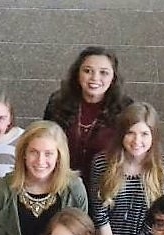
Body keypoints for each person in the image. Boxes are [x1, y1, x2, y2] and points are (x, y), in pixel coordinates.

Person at [88, 102, 164, 235]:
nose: (137, 140)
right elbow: (100, 217)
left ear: (153, 136)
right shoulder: (102, 164)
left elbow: (158, 218)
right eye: (130, 133)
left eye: (144, 134)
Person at [43, 46, 133, 185]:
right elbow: (45, 142)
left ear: (113, 77)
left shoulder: (125, 108)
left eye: (104, 72)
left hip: (104, 187)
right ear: (77, 74)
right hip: (61, 183)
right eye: (87, 71)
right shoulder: (58, 102)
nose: (95, 78)